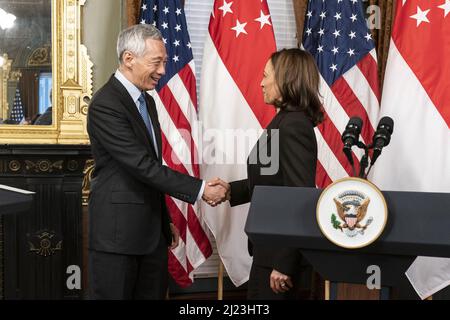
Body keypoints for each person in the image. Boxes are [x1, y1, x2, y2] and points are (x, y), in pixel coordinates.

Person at [87, 24, 226, 300]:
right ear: (129, 59)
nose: (163, 70)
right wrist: (200, 189)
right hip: (118, 237)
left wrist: (163, 222)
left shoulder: (147, 101)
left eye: (164, 62)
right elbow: (141, 165)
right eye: (157, 62)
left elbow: (148, 168)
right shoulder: (106, 104)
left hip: (150, 234)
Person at [210, 48, 324, 300]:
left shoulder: (293, 126)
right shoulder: (285, 121)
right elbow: (273, 182)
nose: (261, 82)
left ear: (287, 78)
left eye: (266, 75)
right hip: (268, 252)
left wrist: (285, 262)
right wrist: (231, 190)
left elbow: (299, 198)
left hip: (279, 261)